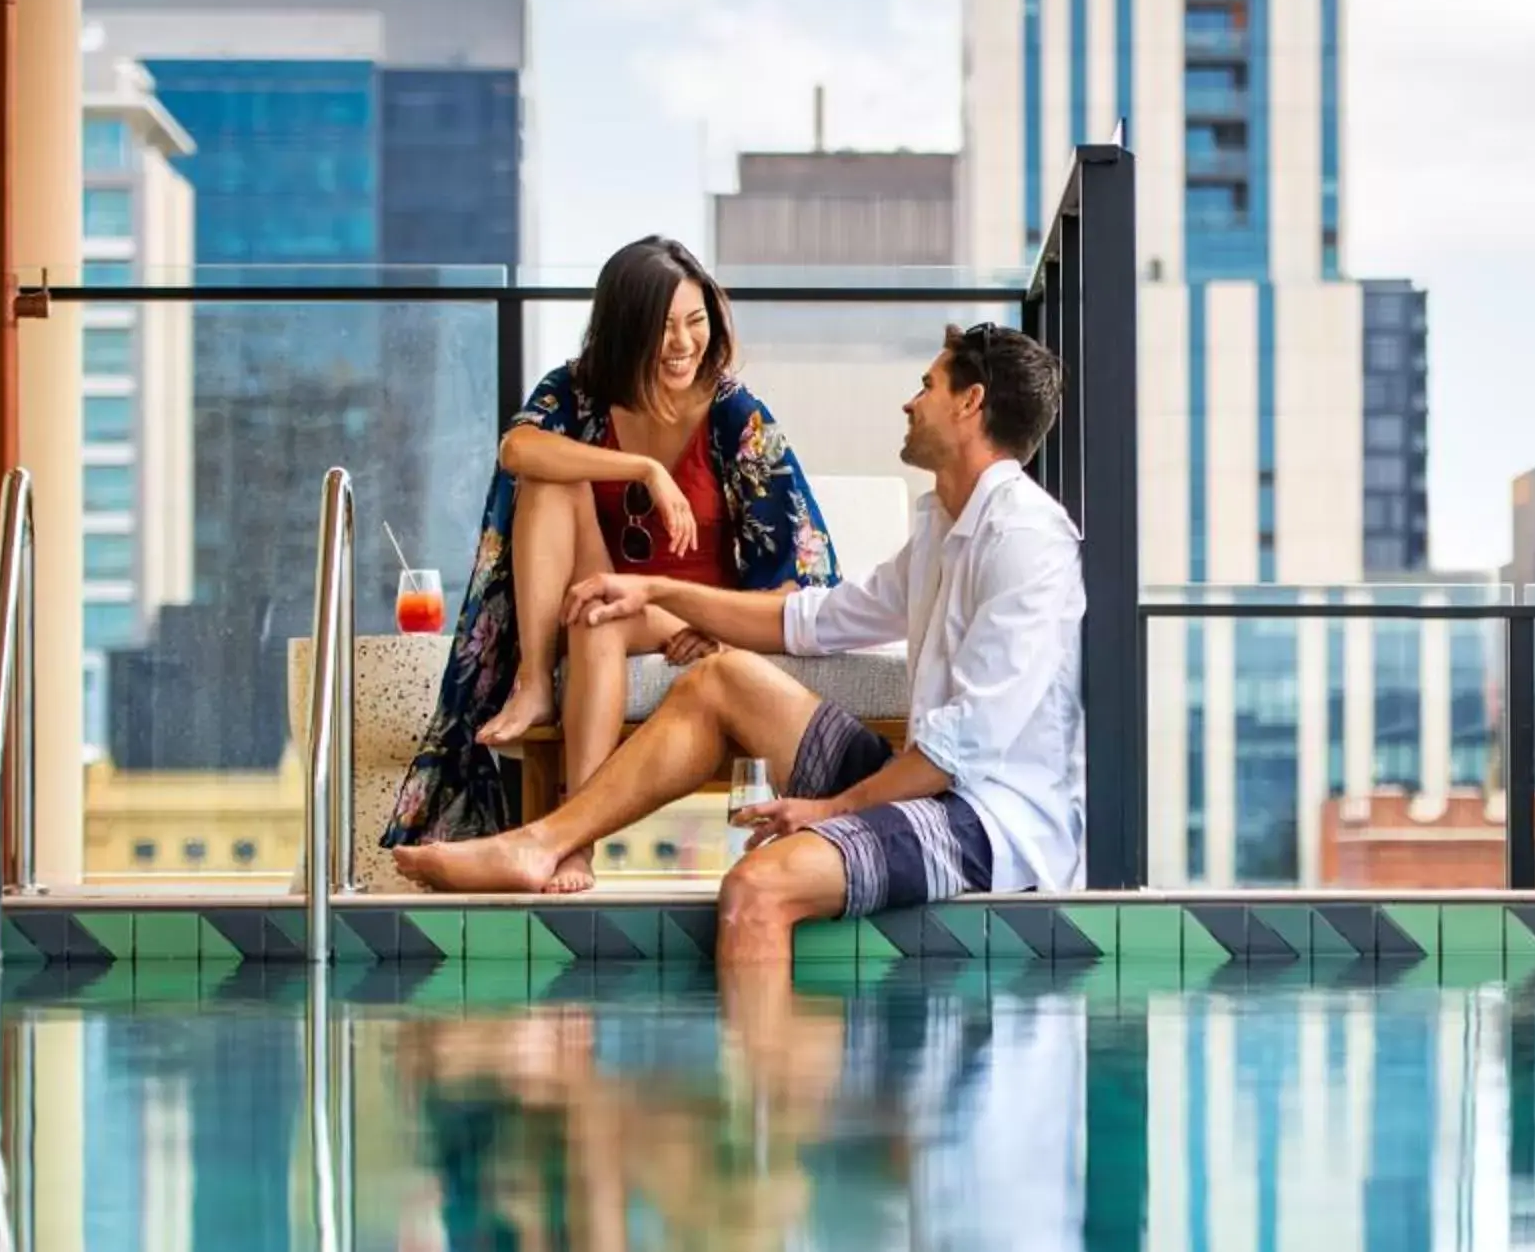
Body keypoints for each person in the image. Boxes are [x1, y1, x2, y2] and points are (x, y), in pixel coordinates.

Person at [393, 323, 1084, 959]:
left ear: (972, 404)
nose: (910, 403)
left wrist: (829, 810)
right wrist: (655, 591)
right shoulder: (942, 526)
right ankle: (543, 843)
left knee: (756, 888)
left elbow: (960, 748)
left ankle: (767, 1094)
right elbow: (811, 620)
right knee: (720, 678)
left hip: (987, 826)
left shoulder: (1023, 538)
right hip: (924, 791)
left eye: (928, 386)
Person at [380, 236, 842, 892]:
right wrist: (643, 468)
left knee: (598, 610)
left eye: (695, 321)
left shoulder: (736, 413)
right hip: (601, 587)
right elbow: (517, 448)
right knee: (551, 484)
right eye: (662, 327)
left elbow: (804, 565)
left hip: (685, 608)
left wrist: (725, 626)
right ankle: (538, 685)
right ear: (624, 328)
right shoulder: (581, 390)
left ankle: (572, 842)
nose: (683, 343)